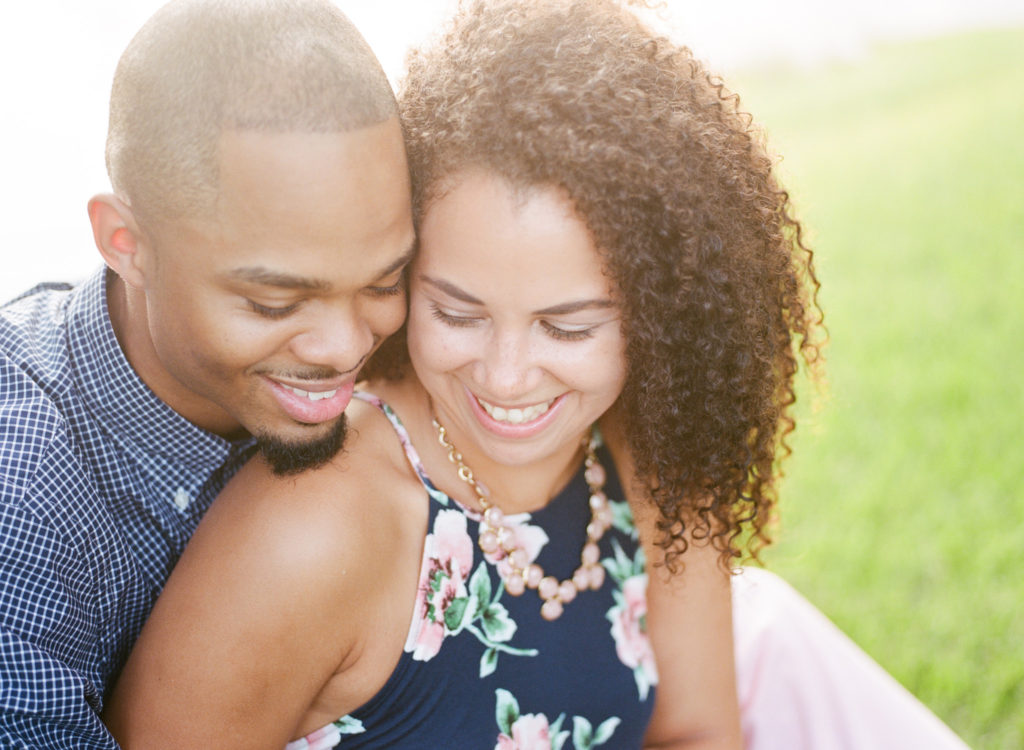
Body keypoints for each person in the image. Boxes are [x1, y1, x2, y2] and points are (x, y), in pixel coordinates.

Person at [104, 2, 969, 749]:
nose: (508, 376)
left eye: (568, 326)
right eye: (457, 312)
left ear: (660, 316)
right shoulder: (316, 529)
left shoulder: (653, 449)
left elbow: (697, 731)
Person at [0, 1, 413, 747]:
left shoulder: (425, 352)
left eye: (384, 282)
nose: (346, 346)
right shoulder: (24, 500)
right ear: (127, 244)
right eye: (274, 302)